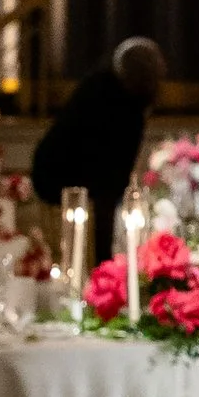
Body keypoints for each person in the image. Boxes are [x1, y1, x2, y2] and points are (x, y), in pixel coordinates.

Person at [27, 38, 166, 261]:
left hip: (68, 181)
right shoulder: (120, 105)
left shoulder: (102, 87)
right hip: (68, 186)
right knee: (82, 253)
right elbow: (110, 174)